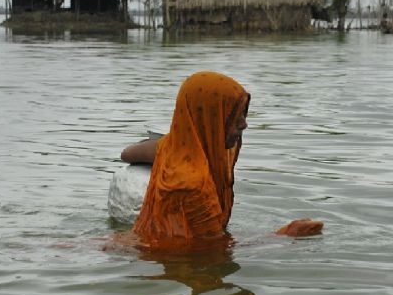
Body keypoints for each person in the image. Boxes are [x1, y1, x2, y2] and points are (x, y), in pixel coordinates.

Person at [121, 71, 322, 252]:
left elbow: (127, 154)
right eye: (234, 116)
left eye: (243, 113)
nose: (244, 124)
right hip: (181, 264)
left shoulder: (174, 148)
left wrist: (191, 134)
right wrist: (285, 234)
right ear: (211, 118)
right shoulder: (193, 186)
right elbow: (216, 250)